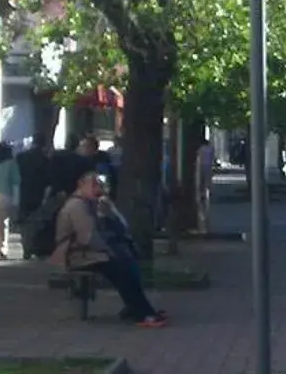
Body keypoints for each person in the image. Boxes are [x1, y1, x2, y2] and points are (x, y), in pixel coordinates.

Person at [51, 168, 168, 327]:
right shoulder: (76, 206)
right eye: (93, 185)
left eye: (99, 185)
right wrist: (109, 251)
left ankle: (137, 307)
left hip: (91, 252)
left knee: (129, 266)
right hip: (79, 255)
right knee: (121, 270)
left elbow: (117, 226)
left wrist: (110, 211)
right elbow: (89, 237)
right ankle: (143, 313)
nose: (97, 190)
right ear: (81, 185)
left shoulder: (91, 204)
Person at [194, 135, 216, 235]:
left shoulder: (200, 150)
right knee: (207, 182)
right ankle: (208, 191)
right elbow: (212, 159)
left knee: (201, 184)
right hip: (208, 168)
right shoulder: (210, 149)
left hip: (201, 168)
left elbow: (198, 161)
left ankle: (202, 193)